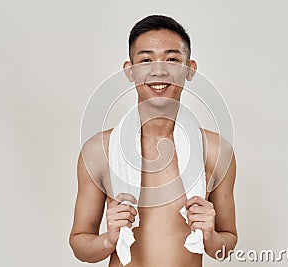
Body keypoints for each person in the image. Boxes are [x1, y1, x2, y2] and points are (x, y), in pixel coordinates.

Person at [69, 15, 237, 266]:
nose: (159, 70)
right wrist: (107, 240)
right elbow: (80, 244)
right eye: (146, 60)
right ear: (129, 70)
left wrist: (211, 236)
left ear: (190, 69)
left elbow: (227, 244)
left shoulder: (215, 151)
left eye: (172, 59)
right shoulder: (99, 151)